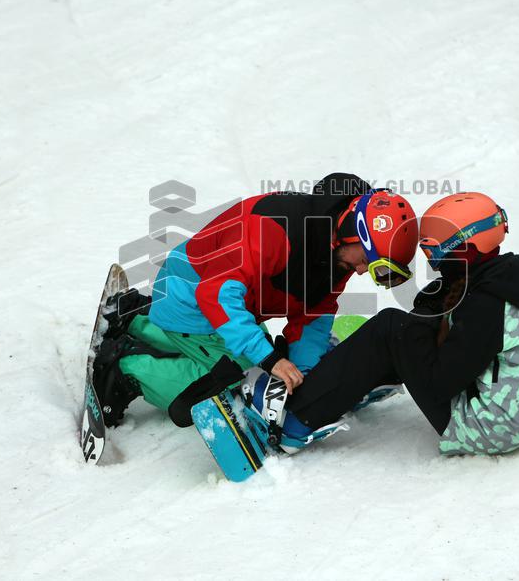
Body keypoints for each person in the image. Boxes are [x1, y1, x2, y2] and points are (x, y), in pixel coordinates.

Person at [245, 191, 519, 456]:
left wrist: (410, 340)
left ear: (465, 246)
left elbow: (441, 382)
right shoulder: (509, 279)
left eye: (436, 250)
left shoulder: (484, 304)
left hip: (488, 427)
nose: (433, 261)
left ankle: (293, 422)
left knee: (390, 329)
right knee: (404, 332)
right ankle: (351, 377)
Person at [93, 173, 419, 428]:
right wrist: (268, 358)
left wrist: (306, 379)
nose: (362, 271)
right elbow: (217, 294)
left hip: (212, 301)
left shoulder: (336, 252)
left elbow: (314, 316)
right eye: (366, 260)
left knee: (267, 375)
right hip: (195, 299)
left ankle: (133, 317)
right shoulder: (277, 229)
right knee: (236, 390)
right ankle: (125, 369)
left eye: (374, 269)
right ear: (352, 229)